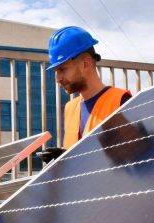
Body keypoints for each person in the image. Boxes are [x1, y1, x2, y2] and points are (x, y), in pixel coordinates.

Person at [39, 26, 133, 163]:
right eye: (56, 72)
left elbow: (136, 158)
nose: (58, 78)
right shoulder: (70, 108)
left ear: (85, 64)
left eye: (62, 70)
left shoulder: (121, 101)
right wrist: (65, 157)